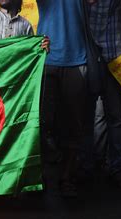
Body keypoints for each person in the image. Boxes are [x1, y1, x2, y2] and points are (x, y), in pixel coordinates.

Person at [36, 0, 88, 197]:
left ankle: (67, 177)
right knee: (43, 122)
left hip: (77, 58)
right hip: (47, 56)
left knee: (73, 123)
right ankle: (42, 174)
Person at [86, 0, 121, 188]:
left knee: (116, 116)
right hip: (89, 54)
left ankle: (116, 167)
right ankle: (88, 165)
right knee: (87, 115)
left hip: (115, 55)